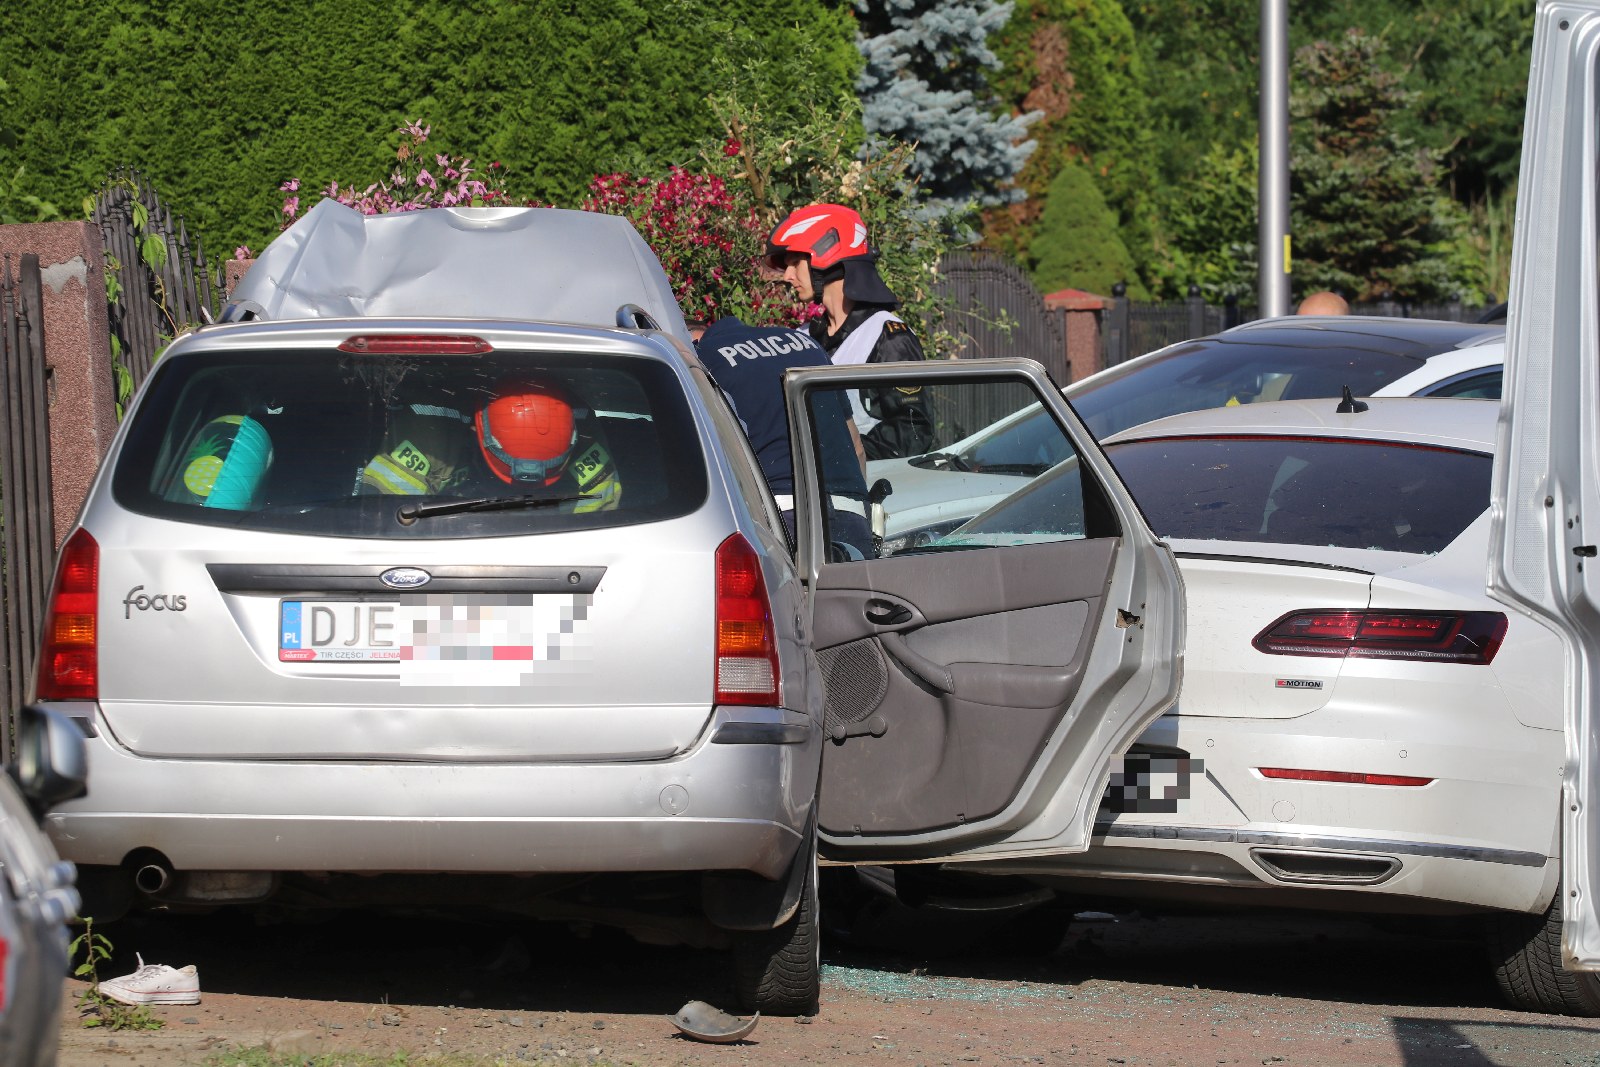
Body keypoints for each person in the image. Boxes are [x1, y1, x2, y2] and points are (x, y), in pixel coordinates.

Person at [764, 203, 934, 460]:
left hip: (877, 491)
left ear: (827, 254)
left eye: (795, 263)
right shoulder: (804, 337)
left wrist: (839, 454)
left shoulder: (887, 336)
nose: (787, 275)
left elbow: (912, 433)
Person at [695, 315, 874, 557]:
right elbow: (856, 446)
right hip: (849, 507)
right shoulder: (805, 343)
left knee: (795, 595)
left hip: (780, 513)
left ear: (694, 338)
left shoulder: (704, 358)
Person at [360, 376, 621, 512]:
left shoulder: (587, 450)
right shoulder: (427, 438)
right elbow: (381, 517)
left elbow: (599, 521)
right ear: (478, 430)